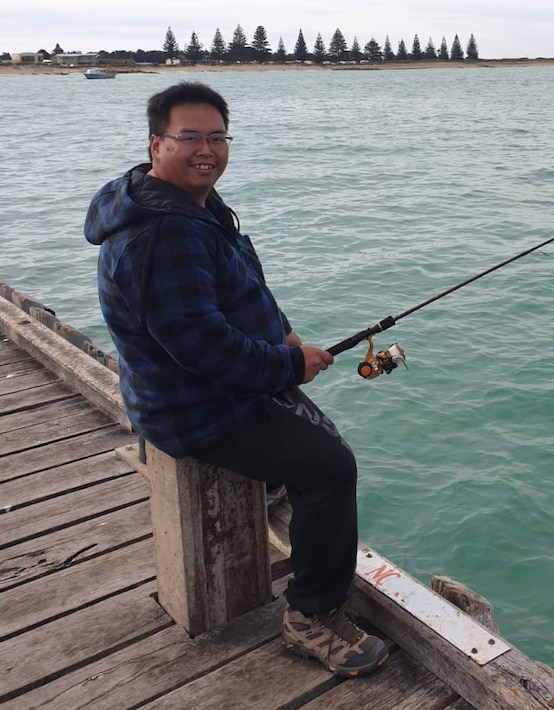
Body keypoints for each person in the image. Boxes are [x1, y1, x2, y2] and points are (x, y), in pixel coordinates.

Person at [84, 81, 388, 677]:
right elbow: (202, 346)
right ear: (156, 143)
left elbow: (235, 293)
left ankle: (276, 485)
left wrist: (284, 336)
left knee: (316, 439)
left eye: (217, 136)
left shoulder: (184, 203)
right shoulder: (160, 235)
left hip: (208, 386)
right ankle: (312, 616)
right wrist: (288, 365)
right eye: (190, 137)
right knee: (332, 466)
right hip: (193, 407)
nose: (208, 149)